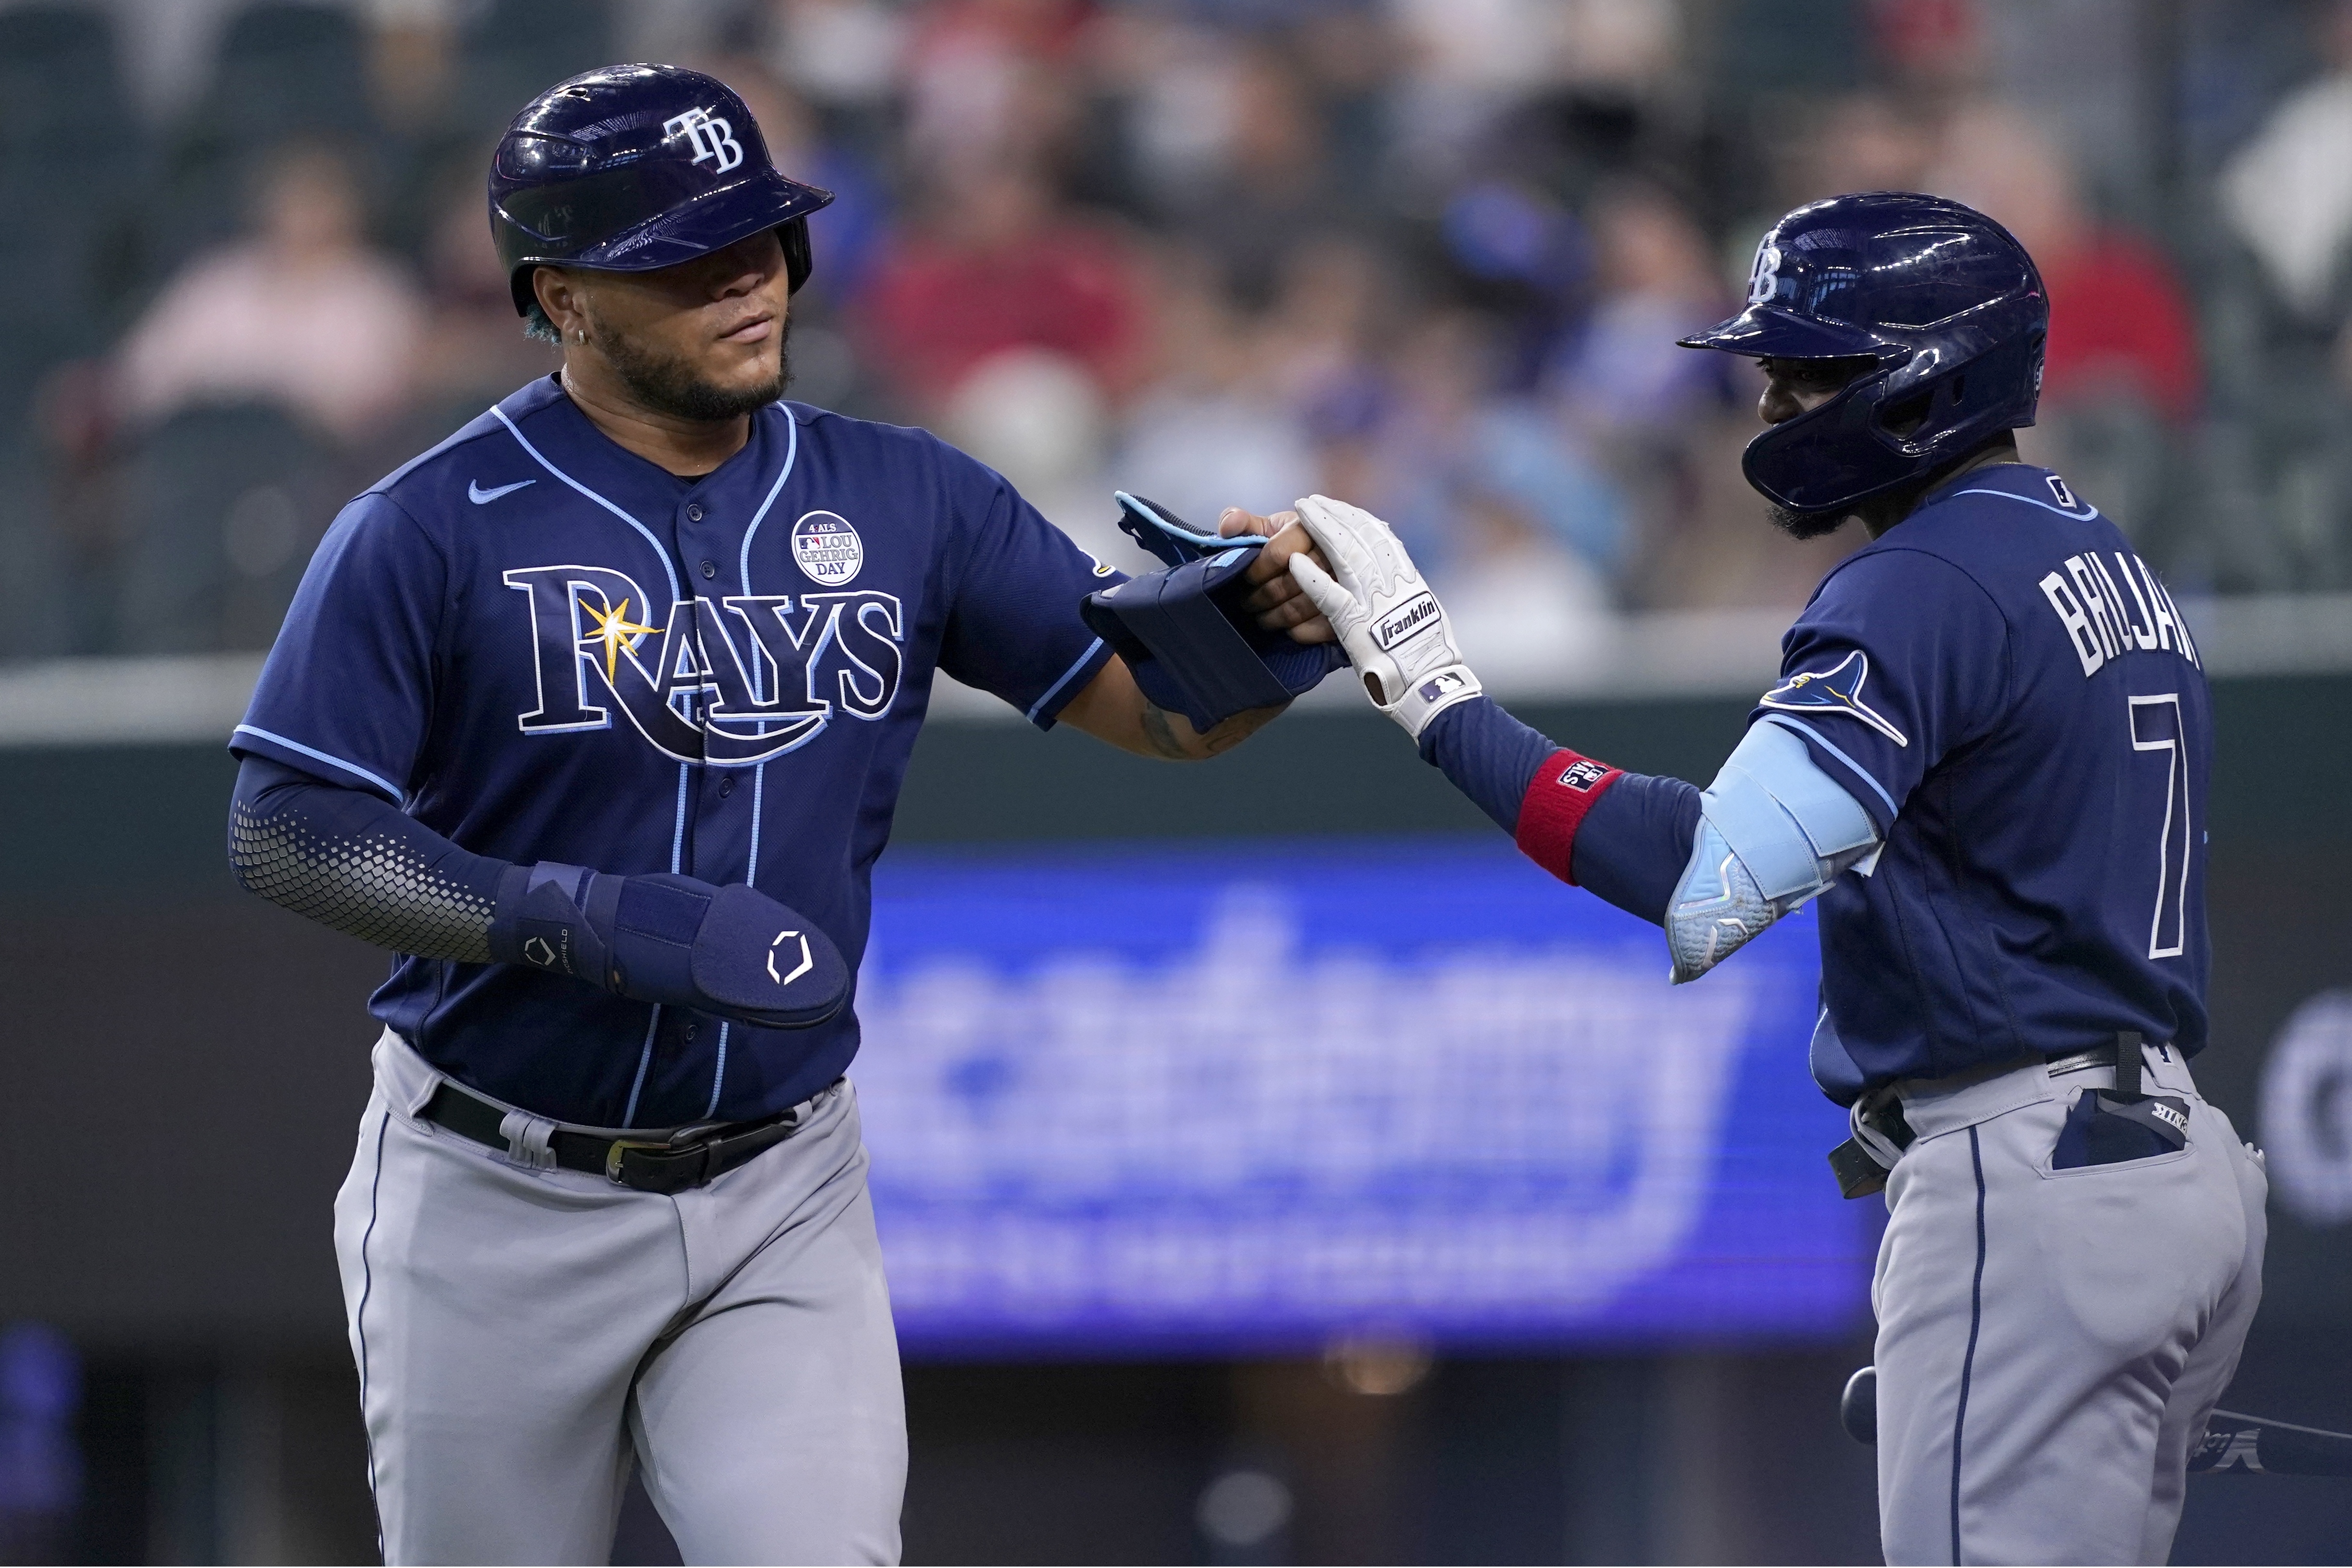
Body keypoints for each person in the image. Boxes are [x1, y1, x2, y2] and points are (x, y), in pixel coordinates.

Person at [222, 65, 1320, 1565]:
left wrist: (1270, 633)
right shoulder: (426, 523)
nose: (746, 276)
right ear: (563, 297)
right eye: (686, 252)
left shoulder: (905, 492)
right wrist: (573, 917)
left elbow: (1165, 716)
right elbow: (285, 823)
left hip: (780, 1185)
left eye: (761, 234)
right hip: (495, 1195)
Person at [1244, 193, 2267, 1564]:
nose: (1776, 400)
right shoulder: (2093, 550)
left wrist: (1433, 688)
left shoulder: (1923, 579)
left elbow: (1706, 884)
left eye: (1814, 369)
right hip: (2165, 1156)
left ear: (1926, 378)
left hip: (2030, 1173)